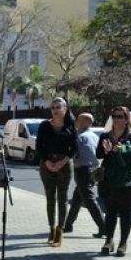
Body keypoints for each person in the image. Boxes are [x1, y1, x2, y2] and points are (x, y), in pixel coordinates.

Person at [97, 106, 131, 257]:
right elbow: (98, 154)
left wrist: (121, 150)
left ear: (126, 119)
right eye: (114, 116)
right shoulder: (105, 136)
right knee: (110, 211)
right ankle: (109, 240)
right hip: (109, 179)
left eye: (120, 117)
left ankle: (123, 242)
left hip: (126, 180)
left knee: (125, 212)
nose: (116, 119)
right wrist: (106, 150)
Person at [35, 97, 77, 248]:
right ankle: (51, 229)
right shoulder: (44, 126)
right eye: (53, 107)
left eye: (58, 107)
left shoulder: (70, 126)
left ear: (65, 109)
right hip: (47, 164)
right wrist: (47, 162)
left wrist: (61, 162)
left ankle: (60, 230)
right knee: (50, 198)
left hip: (64, 164)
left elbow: (74, 148)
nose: (55, 110)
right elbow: (39, 146)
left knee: (62, 198)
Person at [63, 113, 106, 238]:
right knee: (77, 199)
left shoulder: (80, 137)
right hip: (94, 170)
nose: (76, 122)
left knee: (89, 200)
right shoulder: (94, 136)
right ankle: (68, 225)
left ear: (86, 123)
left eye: (78, 120)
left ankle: (104, 227)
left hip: (83, 170)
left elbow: (74, 154)